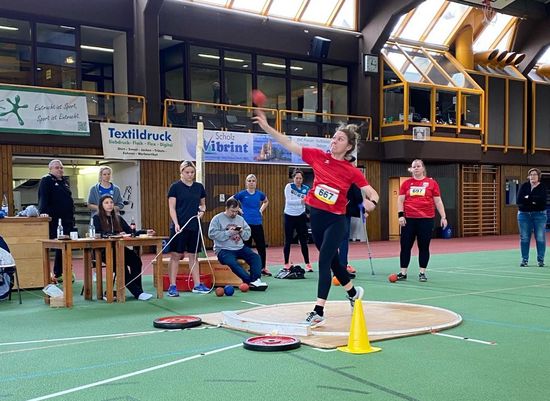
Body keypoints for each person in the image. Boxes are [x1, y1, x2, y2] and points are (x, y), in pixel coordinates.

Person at [253, 110, 379, 327]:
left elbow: (372, 193)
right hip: (316, 218)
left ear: (348, 146)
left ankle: (319, 310)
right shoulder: (318, 156)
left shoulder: (352, 171)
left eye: (340, 139)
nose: (334, 141)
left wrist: (370, 204)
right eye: (334, 137)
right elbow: (289, 144)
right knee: (333, 262)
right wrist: (267, 128)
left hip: (336, 220)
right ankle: (353, 293)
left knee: (324, 261)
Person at [93, 195, 153, 301]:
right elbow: (98, 233)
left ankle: (138, 289)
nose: (109, 205)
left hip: (119, 248)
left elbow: (130, 232)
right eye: (106, 203)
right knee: (121, 266)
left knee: (136, 261)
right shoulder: (97, 218)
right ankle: (138, 293)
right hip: (105, 250)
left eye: (111, 202)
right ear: (101, 205)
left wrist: (144, 232)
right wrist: (115, 234)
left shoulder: (118, 218)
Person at [395, 159, 447, 282]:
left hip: (426, 220)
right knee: (405, 246)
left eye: (418, 166)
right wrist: (400, 215)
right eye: (414, 167)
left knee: (423, 246)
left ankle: (422, 272)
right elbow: (400, 200)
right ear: (411, 169)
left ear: (423, 168)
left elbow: (438, 201)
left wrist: (443, 217)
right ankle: (403, 273)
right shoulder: (406, 184)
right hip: (409, 220)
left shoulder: (431, 183)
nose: (416, 168)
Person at [167, 160, 207, 297]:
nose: (190, 175)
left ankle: (197, 285)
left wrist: (201, 213)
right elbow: (171, 207)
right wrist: (176, 223)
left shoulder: (199, 187)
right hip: (180, 226)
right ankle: (172, 286)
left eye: (192, 172)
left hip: (194, 226)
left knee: (193, 255)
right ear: (181, 172)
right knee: (176, 255)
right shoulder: (175, 187)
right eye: (187, 172)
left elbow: (203, 205)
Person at [208, 198, 268, 290]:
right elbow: (211, 234)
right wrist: (228, 233)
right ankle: (250, 281)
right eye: (232, 211)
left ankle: (255, 279)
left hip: (240, 247)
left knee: (256, 257)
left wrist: (242, 231)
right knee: (232, 262)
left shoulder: (240, 219)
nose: (234, 214)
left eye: (236, 211)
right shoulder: (217, 219)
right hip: (223, 249)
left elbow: (247, 235)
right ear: (226, 208)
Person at [38, 159, 75, 282]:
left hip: (67, 219)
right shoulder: (46, 180)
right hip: (54, 219)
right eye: (57, 167)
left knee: (65, 245)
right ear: (50, 169)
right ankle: (52, 273)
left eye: (61, 167)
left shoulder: (64, 182)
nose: (60, 169)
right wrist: (43, 211)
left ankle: (62, 272)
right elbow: (43, 197)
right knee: (56, 245)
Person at [232, 174, 271, 276]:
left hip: (257, 223)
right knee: (246, 246)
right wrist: (239, 210)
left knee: (261, 246)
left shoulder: (259, 194)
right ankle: (247, 267)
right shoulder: (242, 194)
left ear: (256, 182)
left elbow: (266, 201)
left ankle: (263, 268)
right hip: (246, 225)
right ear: (246, 182)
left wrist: (261, 210)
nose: (251, 182)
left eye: (253, 180)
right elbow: (231, 200)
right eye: (249, 180)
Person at [516, 168, 547, 267]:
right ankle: (524, 260)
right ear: (528, 176)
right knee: (524, 238)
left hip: (539, 215)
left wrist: (528, 198)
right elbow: (519, 201)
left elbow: (542, 202)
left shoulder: (542, 187)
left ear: (539, 177)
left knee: (540, 237)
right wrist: (533, 200)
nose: (532, 176)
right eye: (531, 174)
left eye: (535, 174)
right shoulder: (524, 186)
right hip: (524, 215)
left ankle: (540, 260)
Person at [283, 168, 312, 272]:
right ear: (293, 178)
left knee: (303, 241)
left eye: (300, 178)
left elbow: (308, 201)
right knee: (288, 240)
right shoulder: (289, 187)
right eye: (296, 178)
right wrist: (302, 200)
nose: (298, 180)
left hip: (301, 216)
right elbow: (289, 201)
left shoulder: (306, 188)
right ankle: (286, 263)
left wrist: (305, 202)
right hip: (289, 216)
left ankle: (308, 264)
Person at [338, 184, 364, 277]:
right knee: (343, 239)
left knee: (333, 239)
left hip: (331, 210)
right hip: (344, 211)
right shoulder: (352, 179)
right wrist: (362, 209)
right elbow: (358, 196)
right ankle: (342, 268)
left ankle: (335, 266)